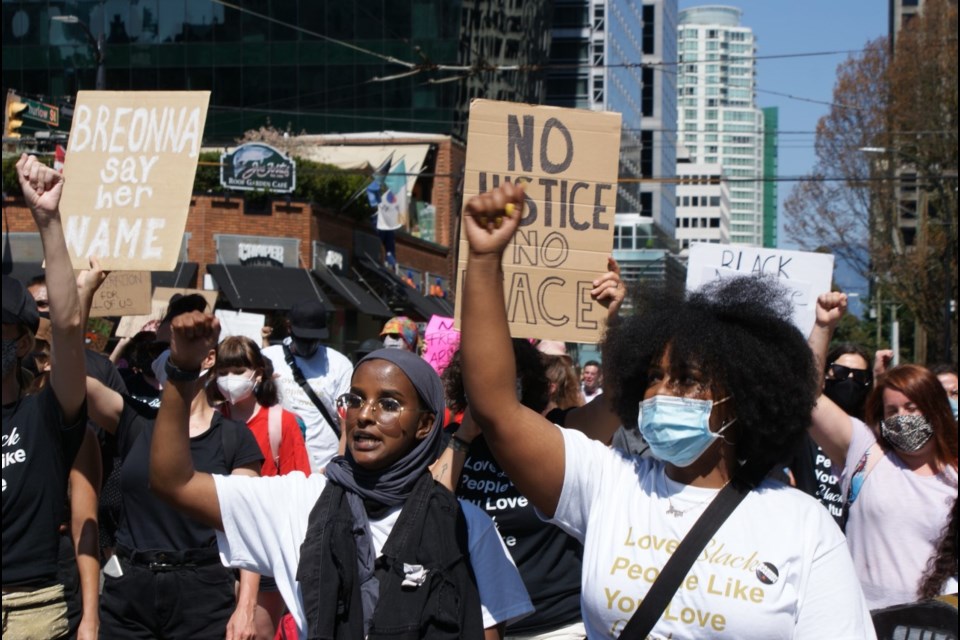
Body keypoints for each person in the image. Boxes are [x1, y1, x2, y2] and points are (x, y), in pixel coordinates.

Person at [458, 182, 874, 638]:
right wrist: (483, 260)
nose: (659, 392)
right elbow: (497, 408)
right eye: (653, 376)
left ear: (740, 398)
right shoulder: (608, 484)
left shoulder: (803, 525)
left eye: (687, 380)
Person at [149, 312, 534, 639]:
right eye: (355, 399)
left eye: (388, 403)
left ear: (426, 424)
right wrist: (182, 372)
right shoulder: (300, 502)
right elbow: (173, 483)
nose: (365, 414)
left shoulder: (466, 526)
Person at [83, 283, 264, 638]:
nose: (167, 356)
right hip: (129, 593)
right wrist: (82, 301)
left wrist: (246, 607)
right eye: (161, 348)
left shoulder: (234, 438)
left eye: (175, 347)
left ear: (208, 357)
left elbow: (249, 527)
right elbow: (72, 382)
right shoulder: (132, 419)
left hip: (202, 592)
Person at [809, 292, 958, 609]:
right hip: (862, 623)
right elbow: (807, 398)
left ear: (935, 409)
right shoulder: (866, 452)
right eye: (892, 411)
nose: (902, 417)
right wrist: (823, 327)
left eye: (912, 407)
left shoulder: (954, 473)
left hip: (936, 627)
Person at [2, 155, 100, 640]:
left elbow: (65, 326)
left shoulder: (43, 415)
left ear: (20, 343)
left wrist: (48, 221)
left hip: (29, 614)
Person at [209, 335, 313, 639]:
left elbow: (299, 489)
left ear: (257, 373)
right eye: (223, 371)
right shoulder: (210, 420)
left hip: (265, 550)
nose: (230, 380)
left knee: (257, 633)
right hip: (216, 552)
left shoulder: (281, 423)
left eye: (238, 370)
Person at [789, 343, 873, 528]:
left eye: (859, 376)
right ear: (825, 375)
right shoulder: (802, 423)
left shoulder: (870, 432)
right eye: (841, 372)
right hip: (808, 529)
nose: (850, 380)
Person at [262, 299, 352, 471]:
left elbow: (346, 423)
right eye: (303, 339)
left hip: (324, 466)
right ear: (289, 329)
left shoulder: (339, 365)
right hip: (277, 464)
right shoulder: (268, 358)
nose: (308, 345)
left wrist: (339, 464)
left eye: (314, 339)